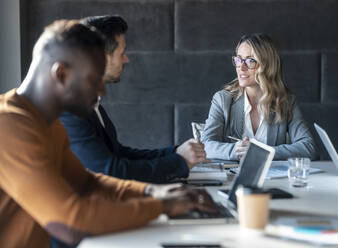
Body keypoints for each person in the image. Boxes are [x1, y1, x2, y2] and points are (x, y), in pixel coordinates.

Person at [0, 19, 216, 248]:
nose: (101, 89)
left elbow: (87, 182)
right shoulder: (9, 125)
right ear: (61, 74)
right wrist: (162, 205)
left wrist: (154, 191)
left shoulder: (47, 122)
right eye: (94, 80)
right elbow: (71, 225)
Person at [59, 15, 209, 183]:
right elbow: (108, 171)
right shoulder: (69, 111)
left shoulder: (91, 104)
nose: (126, 59)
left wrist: (176, 153)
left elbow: (119, 153)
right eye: (121, 53)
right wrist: (179, 162)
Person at [201, 34, 317, 161]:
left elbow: (308, 147)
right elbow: (205, 145)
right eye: (239, 59)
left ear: (267, 66)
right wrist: (236, 150)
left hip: (273, 178)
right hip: (232, 177)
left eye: (250, 61)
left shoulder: (285, 101)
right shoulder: (223, 100)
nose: (241, 67)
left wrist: (263, 152)